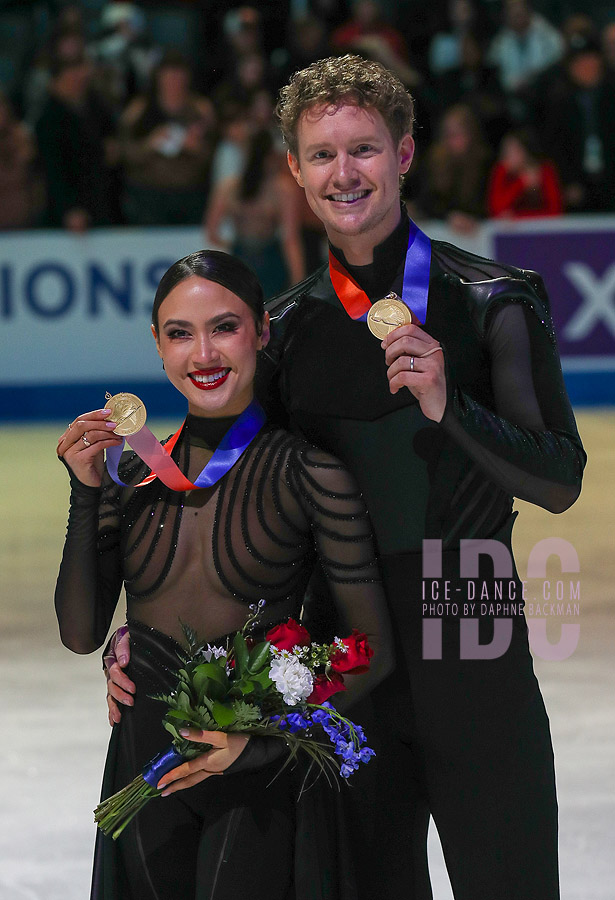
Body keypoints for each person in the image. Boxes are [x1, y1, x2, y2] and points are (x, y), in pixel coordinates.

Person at [107, 55, 586, 899]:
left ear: (403, 154)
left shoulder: (495, 300)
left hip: (466, 619)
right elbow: (230, 501)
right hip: (341, 649)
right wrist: (140, 632)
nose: (344, 173)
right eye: (321, 155)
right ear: (293, 169)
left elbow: (557, 481)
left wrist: (451, 406)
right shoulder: (283, 331)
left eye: (363, 149)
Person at [54, 250, 393, 900]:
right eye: (180, 332)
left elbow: (369, 650)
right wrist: (85, 490)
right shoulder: (133, 477)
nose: (203, 353)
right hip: (142, 765)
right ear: (157, 345)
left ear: (262, 331)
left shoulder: (309, 476)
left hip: (256, 776)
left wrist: (259, 748)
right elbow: (79, 632)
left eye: (224, 327)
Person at [487, 126, 563, 218]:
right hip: (513, 231)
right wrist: (521, 183)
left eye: (514, 151)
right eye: (505, 151)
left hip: (545, 230)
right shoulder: (501, 170)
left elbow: (555, 211)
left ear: (527, 151)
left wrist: (517, 217)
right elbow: (496, 209)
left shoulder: (545, 170)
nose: (508, 156)